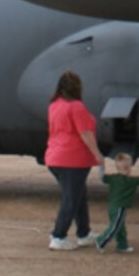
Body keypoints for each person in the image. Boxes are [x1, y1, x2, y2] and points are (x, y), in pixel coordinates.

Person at [44, 70, 100, 249]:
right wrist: (98, 154)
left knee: (78, 196)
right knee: (72, 198)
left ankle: (84, 232)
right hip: (73, 159)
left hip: (55, 156)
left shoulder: (54, 105)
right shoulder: (77, 107)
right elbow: (85, 133)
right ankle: (58, 235)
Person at [95, 152, 139, 253]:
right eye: (129, 167)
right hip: (120, 207)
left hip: (112, 206)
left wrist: (101, 166)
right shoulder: (129, 181)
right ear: (127, 168)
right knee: (115, 227)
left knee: (120, 227)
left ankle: (122, 245)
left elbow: (102, 177)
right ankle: (101, 240)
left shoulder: (113, 178)